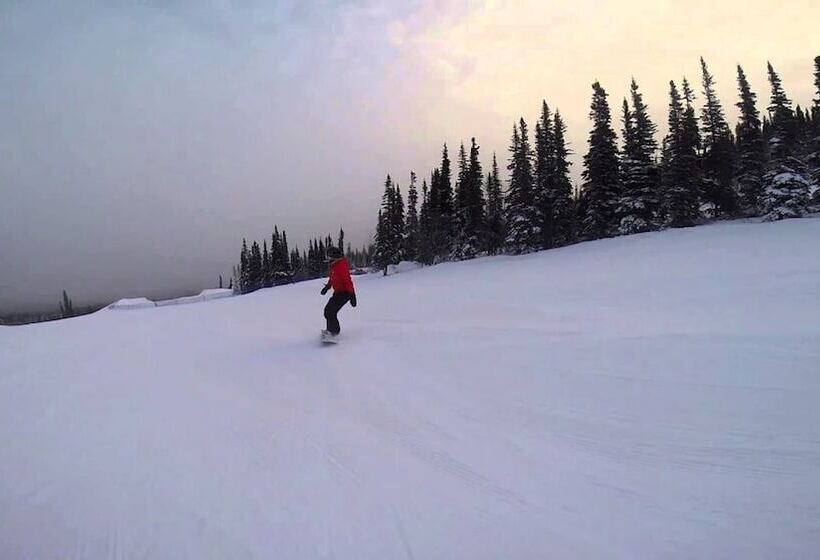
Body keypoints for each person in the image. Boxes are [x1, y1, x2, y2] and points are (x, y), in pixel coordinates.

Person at [321, 247, 357, 337]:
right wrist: (328, 287)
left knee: (330, 311)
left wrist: (352, 295)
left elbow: (347, 281)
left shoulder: (341, 265)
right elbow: (332, 278)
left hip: (345, 293)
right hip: (338, 292)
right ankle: (331, 330)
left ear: (334, 256)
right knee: (328, 311)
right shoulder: (334, 265)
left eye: (329, 256)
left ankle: (334, 332)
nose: (328, 258)